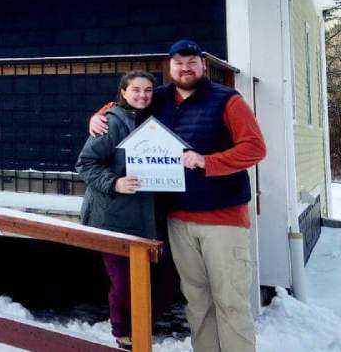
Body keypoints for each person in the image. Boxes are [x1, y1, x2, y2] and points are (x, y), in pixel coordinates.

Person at [90, 40, 266, 352]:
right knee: (197, 302)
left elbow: (255, 148)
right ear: (170, 67)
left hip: (222, 219)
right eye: (178, 64)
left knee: (231, 302)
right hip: (177, 219)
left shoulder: (227, 100)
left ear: (203, 65)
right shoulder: (159, 99)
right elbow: (125, 103)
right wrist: (99, 115)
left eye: (191, 63)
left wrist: (207, 161)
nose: (185, 69)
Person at [76, 70, 177, 350]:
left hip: (150, 217)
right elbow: (85, 164)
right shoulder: (111, 123)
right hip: (115, 217)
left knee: (164, 284)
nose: (142, 95)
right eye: (135, 90)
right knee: (124, 284)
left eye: (147, 90)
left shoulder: (157, 119)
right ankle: (124, 337)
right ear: (123, 92)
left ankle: (140, 331)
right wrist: (115, 182)